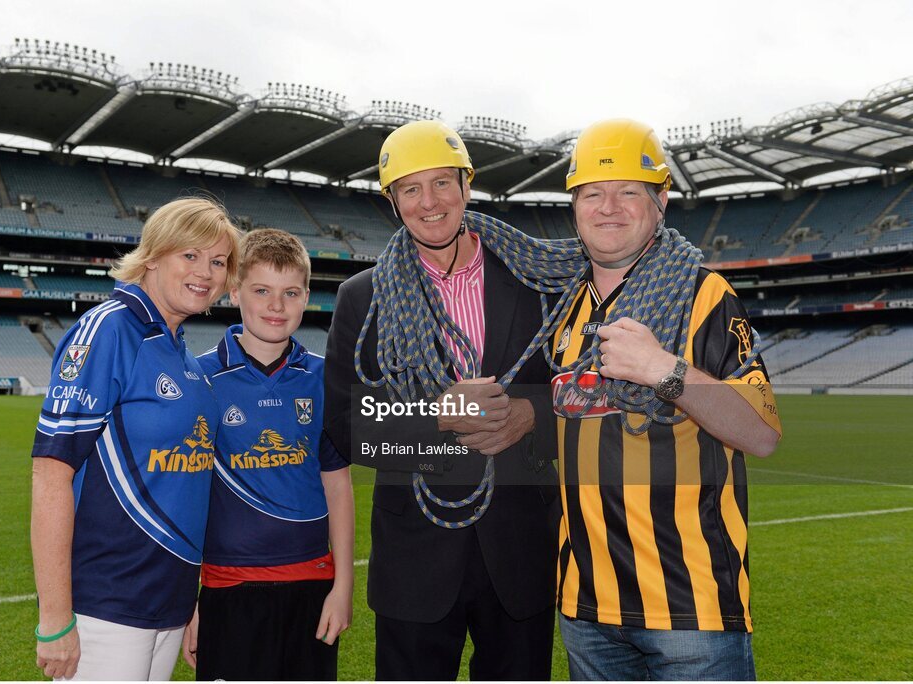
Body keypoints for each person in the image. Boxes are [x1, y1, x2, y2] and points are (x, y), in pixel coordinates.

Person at [324, 120, 561, 680]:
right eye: (410, 189)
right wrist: (437, 415)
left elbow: (583, 391)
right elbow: (342, 425)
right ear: (393, 200)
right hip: (416, 559)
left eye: (441, 184)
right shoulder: (362, 297)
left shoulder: (536, 280)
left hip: (520, 547)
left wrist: (531, 416)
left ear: (466, 186)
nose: (429, 203)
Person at [551, 118, 782, 680]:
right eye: (593, 193)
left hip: (689, 609)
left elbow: (762, 433)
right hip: (585, 606)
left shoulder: (705, 296)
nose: (609, 207)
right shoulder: (560, 309)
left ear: (660, 204)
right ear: (574, 205)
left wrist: (664, 370)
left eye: (629, 191)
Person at [30, 197, 240, 680]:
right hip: (108, 605)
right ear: (153, 255)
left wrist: (191, 601)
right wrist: (56, 617)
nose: (205, 272)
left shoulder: (185, 358)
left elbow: (184, 493)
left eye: (218, 261)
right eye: (190, 255)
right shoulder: (109, 330)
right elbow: (49, 475)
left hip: (168, 603)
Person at [184, 229, 353, 681]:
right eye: (261, 290)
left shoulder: (323, 379)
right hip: (228, 588)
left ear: (306, 298)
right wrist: (190, 602)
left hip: (313, 585)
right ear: (235, 290)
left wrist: (343, 587)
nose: (276, 306)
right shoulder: (199, 378)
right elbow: (186, 496)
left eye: (290, 292)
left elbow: (337, 486)